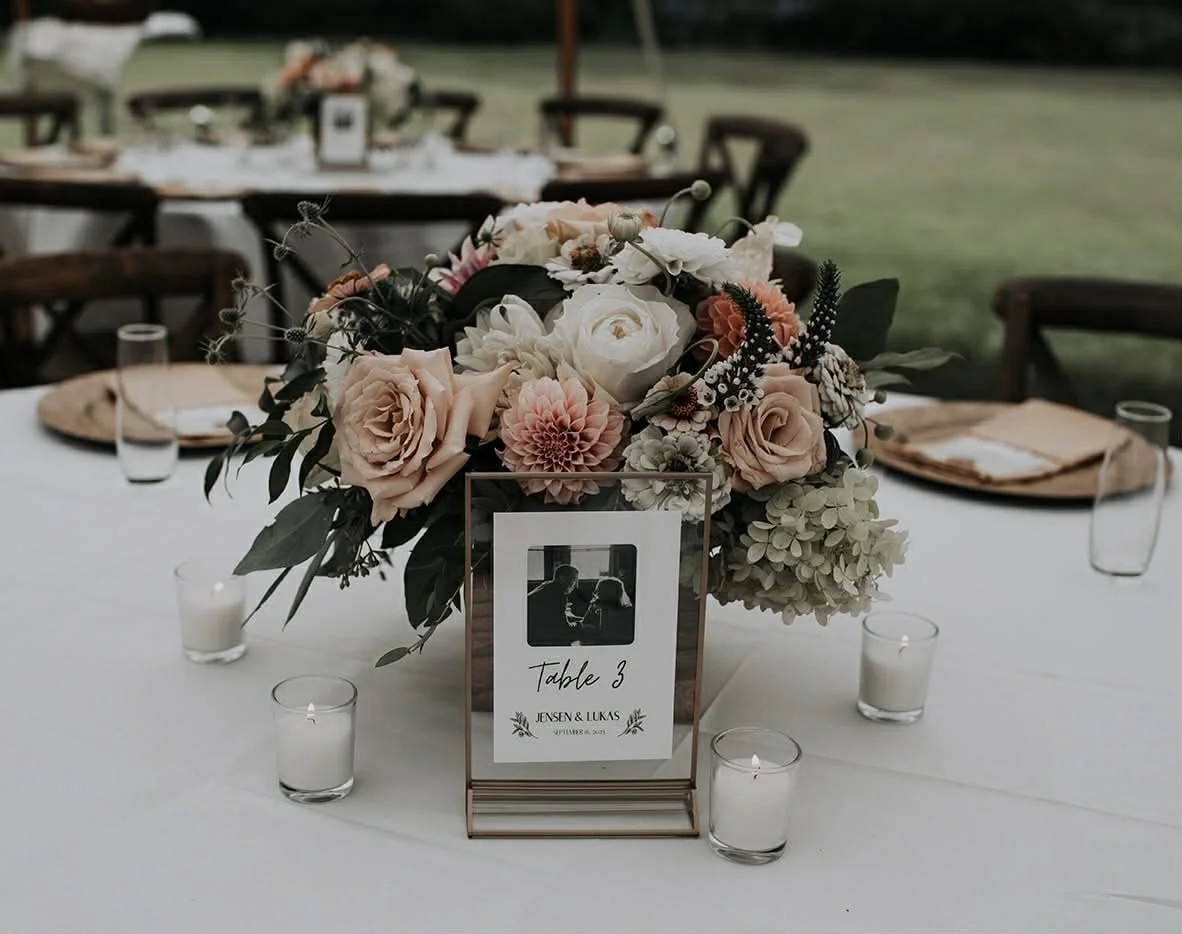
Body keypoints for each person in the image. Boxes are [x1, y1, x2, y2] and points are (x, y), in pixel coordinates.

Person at [527, 564, 580, 646]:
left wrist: (577, 619)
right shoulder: (557, 593)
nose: (575, 585)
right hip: (535, 635)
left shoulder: (547, 585)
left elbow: (554, 615)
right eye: (573, 579)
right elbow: (564, 628)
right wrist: (580, 624)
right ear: (562, 578)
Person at [579, 577, 634, 646]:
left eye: (599, 590)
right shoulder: (629, 609)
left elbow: (585, 623)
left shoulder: (597, 607)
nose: (597, 593)